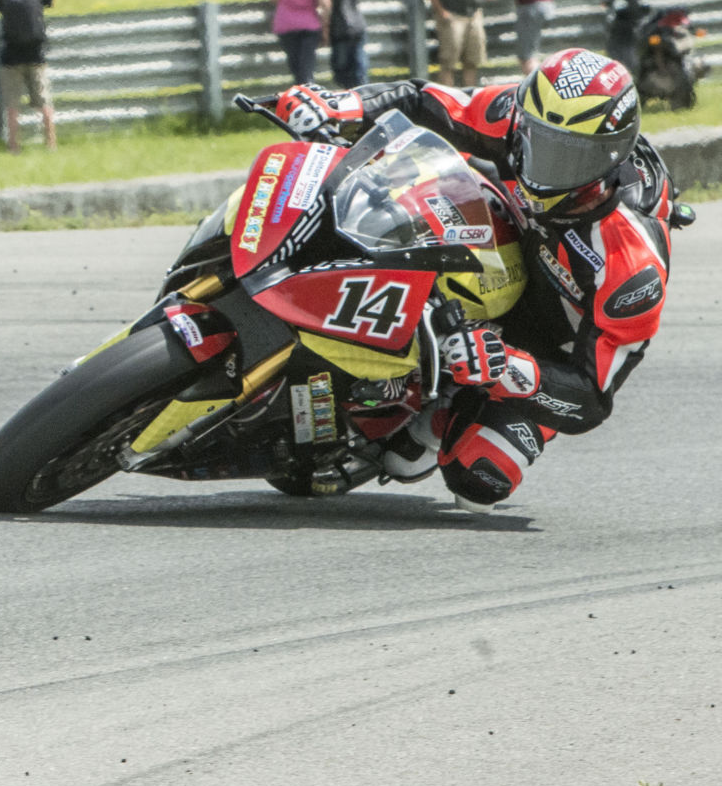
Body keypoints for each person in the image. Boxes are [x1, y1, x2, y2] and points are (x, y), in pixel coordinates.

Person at [274, 47, 685, 513]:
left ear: (604, 163)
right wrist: (340, 105)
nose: (537, 163)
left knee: (476, 478)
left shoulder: (631, 265)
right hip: (505, 242)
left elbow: (590, 398)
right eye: (536, 139)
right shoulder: (520, 117)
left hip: (550, 345)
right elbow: (420, 98)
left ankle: (434, 415)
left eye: (562, 157)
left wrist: (505, 366)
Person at [0, 0, 56, 153]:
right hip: (35, 53)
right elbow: (49, 0)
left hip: (11, 55)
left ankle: (14, 146)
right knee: (44, 101)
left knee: (12, 106)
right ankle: (51, 143)